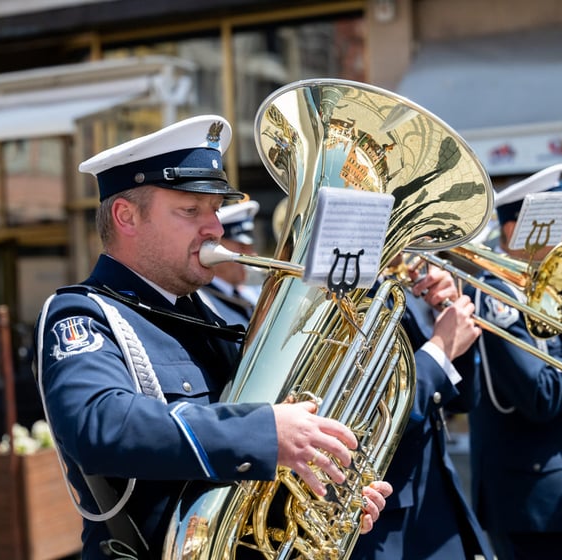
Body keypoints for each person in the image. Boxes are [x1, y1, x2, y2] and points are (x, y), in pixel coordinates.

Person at [33, 115, 392, 559]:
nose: (216, 228)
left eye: (215, 209)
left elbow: (238, 472)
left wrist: (325, 484)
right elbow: (100, 425)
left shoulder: (208, 318)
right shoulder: (83, 313)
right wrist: (265, 430)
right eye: (191, 210)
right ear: (126, 217)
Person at [470, 163, 562, 560]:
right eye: (553, 225)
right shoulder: (497, 294)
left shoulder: (554, 286)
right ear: (511, 231)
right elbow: (540, 395)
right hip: (532, 501)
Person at [351, 255, 493, 560]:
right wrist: (440, 349)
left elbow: (463, 401)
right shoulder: (346, 296)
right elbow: (370, 418)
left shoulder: (393, 289)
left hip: (434, 504)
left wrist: (444, 312)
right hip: (383, 521)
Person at [198, 199, 261, 326]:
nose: (252, 254)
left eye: (250, 247)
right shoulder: (201, 299)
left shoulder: (247, 292)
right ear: (214, 246)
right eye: (242, 247)